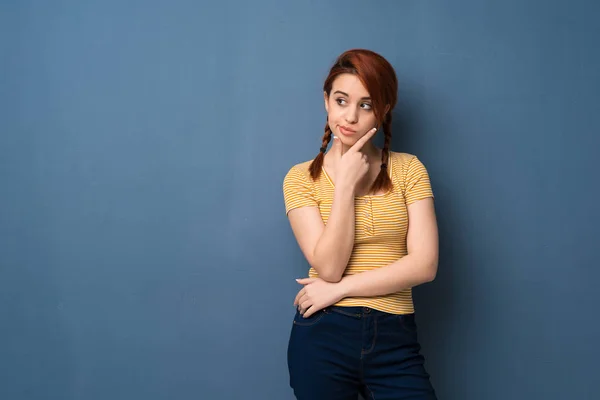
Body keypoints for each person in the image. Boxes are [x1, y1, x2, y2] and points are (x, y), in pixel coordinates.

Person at [282, 49, 439, 400]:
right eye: (341, 100)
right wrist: (346, 186)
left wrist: (338, 291)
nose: (350, 116)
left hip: (394, 336)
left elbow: (425, 265)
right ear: (327, 102)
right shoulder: (300, 178)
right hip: (324, 336)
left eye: (366, 105)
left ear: (383, 111)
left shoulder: (409, 169)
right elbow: (329, 267)